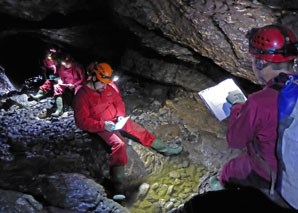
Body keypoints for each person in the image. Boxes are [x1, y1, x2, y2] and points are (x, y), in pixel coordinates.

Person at [73, 62, 183, 199]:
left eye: (106, 83)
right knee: (119, 144)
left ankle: (165, 149)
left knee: (139, 130)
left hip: (116, 120)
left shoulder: (107, 88)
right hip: (102, 125)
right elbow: (81, 121)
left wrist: (120, 115)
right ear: (93, 78)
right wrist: (102, 125)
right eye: (102, 83)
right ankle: (119, 187)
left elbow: (118, 101)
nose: (105, 86)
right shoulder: (82, 95)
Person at [210, 25, 298, 194]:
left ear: (261, 62)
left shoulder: (259, 102)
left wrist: (237, 106)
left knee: (230, 169)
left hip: (275, 174)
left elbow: (235, 140)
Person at [31, 51, 85, 117]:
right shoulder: (61, 67)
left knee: (79, 92)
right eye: (64, 63)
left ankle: (76, 107)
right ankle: (58, 110)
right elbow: (57, 74)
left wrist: (75, 85)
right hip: (65, 84)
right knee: (53, 83)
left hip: (76, 84)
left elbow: (83, 79)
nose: (65, 64)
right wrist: (55, 77)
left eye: (67, 63)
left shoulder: (77, 66)